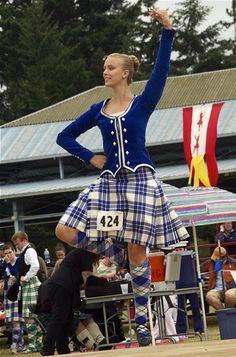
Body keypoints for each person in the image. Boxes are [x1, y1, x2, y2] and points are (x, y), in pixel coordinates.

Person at [55, 8, 189, 346]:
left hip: (141, 182)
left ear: (125, 73)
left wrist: (167, 31)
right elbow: (65, 137)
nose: (105, 71)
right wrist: (89, 156)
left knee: (139, 253)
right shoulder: (97, 110)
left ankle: (143, 324)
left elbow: (162, 70)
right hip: (110, 184)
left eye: (110, 67)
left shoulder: (143, 104)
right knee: (65, 229)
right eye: (104, 67)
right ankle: (119, 256)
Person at [41, 248, 100, 356]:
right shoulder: (86, 253)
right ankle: (47, 348)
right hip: (62, 286)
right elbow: (87, 277)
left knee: (66, 319)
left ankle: (62, 348)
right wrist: (100, 282)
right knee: (59, 318)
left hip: (61, 285)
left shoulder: (79, 253)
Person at [11, 231, 43, 353]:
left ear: (24, 240)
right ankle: (37, 344)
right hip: (28, 285)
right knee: (30, 316)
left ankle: (34, 345)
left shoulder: (29, 251)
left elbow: (35, 266)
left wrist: (26, 277)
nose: (16, 246)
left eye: (17, 243)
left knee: (29, 316)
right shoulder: (26, 251)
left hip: (31, 284)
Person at [3, 242, 25, 354]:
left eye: (10, 252)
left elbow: (17, 275)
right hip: (8, 293)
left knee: (17, 320)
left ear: (14, 251)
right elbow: (5, 279)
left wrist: (8, 264)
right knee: (13, 322)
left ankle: (14, 345)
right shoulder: (4, 263)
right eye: (5, 253)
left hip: (17, 292)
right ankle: (21, 344)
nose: (8, 255)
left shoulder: (20, 261)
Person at [201, 246, 236, 310]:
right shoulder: (211, 262)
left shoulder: (233, 263)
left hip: (231, 288)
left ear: (224, 257)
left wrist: (229, 287)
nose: (215, 260)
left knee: (230, 295)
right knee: (209, 297)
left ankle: (228, 313)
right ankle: (224, 313)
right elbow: (198, 270)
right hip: (216, 289)